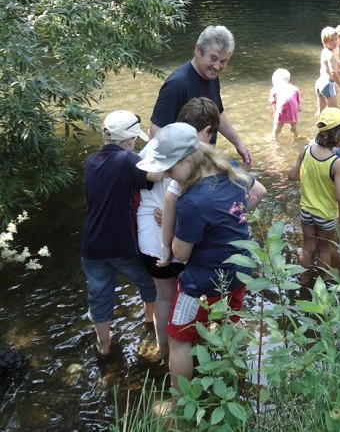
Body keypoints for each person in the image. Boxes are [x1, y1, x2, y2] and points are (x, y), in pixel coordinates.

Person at [136, 123, 266, 387]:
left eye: (171, 170)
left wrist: (171, 230)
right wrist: (234, 213)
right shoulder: (229, 168)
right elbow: (260, 191)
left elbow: (181, 254)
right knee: (228, 324)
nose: (170, 177)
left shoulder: (193, 201)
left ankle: (183, 399)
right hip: (239, 271)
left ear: (189, 159)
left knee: (178, 338)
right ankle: (231, 379)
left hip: (201, 284)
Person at [137, 97, 220, 360]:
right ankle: (189, 350)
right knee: (190, 297)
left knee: (164, 297)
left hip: (150, 237)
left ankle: (165, 350)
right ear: (206, 131)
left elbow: (141, 183)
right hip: (180, 240)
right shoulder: (197, 157)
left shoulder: (153, 146)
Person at [81, 110, 161, 357]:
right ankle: (150, 325)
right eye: (134, 139)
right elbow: (155, 176)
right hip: (121, 243)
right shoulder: (127, 159)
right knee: (149, 283)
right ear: (129, 139)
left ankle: (104, 347)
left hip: (91, 245)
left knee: (100, 295)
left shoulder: (92, 162)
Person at [149, 25, 252, 167]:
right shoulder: (177, 84)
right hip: (182, 170)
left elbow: (217, 113)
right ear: (198, 50)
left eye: (223, 61)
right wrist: (174, 171)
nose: (217, 66)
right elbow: (155, 131)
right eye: (213, 58)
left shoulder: (212, 77)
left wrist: (238, 143)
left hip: (201, 163)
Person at [288, 107, 340, 268]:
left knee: (307, 246)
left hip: (306, 211)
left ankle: (305, 278)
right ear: (337, 136)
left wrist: (311, 176)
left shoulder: (305, 150)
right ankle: (323, 280)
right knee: (324, 249)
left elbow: (292, 176)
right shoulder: (337, 163)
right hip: (325, 215)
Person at [315, 27, 340, 118]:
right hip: (327, 85)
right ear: (325, 42)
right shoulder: (331, 55)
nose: (335, 42)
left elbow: (333, 64)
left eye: (336, 39)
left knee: (321, 112)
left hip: (319, 83)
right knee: (334, 114)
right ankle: (332, 132)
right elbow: (333, 72)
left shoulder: (324, 51)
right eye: (331, 40)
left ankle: (318, 127)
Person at [268, 68, 302, 141]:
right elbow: (300, 107)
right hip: (293, 113)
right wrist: (297, 110)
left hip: (281, 112)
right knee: (294, 129)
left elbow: (274, 105)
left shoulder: (274, 89)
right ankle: (296, 136)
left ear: (275, 81)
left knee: (277, 130)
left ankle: (273, 139)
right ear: (288, 79)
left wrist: (276, 113)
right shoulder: (295, 88)